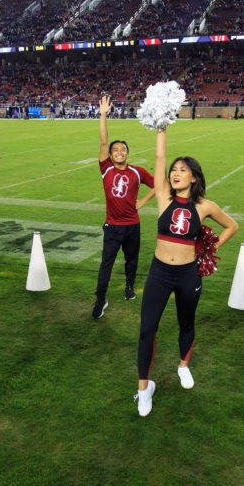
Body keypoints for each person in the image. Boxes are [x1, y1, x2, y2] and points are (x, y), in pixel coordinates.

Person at [134, 126, 238, 416]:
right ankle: (144, 390)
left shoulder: (204, 206)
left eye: (182, 170)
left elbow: (232, 225)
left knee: (186, 323)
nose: (175, 173)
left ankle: (183, 366)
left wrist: (210, 246)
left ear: (194, 176)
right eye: (173, 170)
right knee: (146, 329)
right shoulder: (164, 198)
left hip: (188, 274)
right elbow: (159, 155)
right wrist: (161, 128)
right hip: (159, 272)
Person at [93, 94, 155, 319]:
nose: (119, 152)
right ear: (109, 155)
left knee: (132, 260)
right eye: (115, 150)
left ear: (128, 153)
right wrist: (103, 115)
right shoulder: (106, 169)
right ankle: (100, 299)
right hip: (112, 227)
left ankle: (129, 286)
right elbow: (102, 141)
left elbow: (158, 184)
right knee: (105, 265)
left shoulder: (138, 172)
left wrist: (143, 201)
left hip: (132, 226)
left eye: (123, 150)